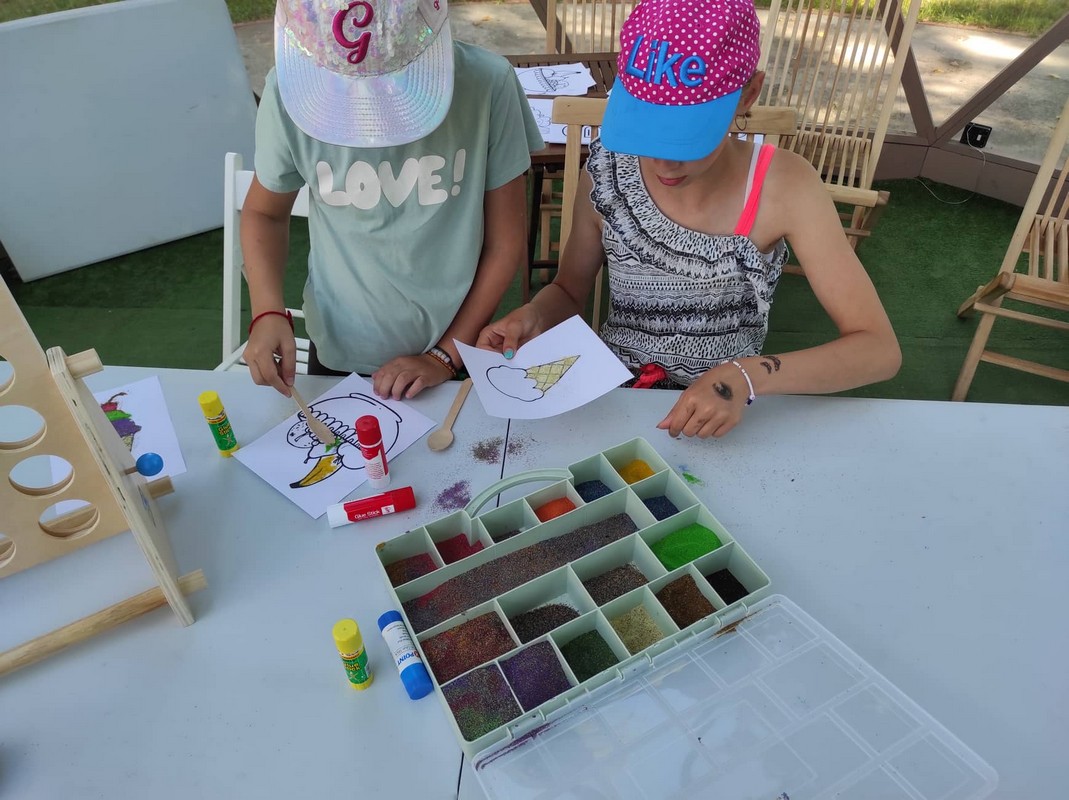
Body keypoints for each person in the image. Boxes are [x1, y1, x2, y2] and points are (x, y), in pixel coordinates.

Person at [478, 0, 901, 439]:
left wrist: (746, 376)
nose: (664, 161)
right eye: (646, 129)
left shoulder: (785, 186)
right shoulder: (609, 170)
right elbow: (569, 290)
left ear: (748, 94)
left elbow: (878, 349)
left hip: (722, 414)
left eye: (687, 136)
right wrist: (535, 315)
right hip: (615, 398)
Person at [242, 0, 544, 400]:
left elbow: (505, 242)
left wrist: (444, 356)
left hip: (458, 346)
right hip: (337, 349)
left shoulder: (488, 83)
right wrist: (266, 310)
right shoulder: (286, 92)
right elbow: (264, 213)